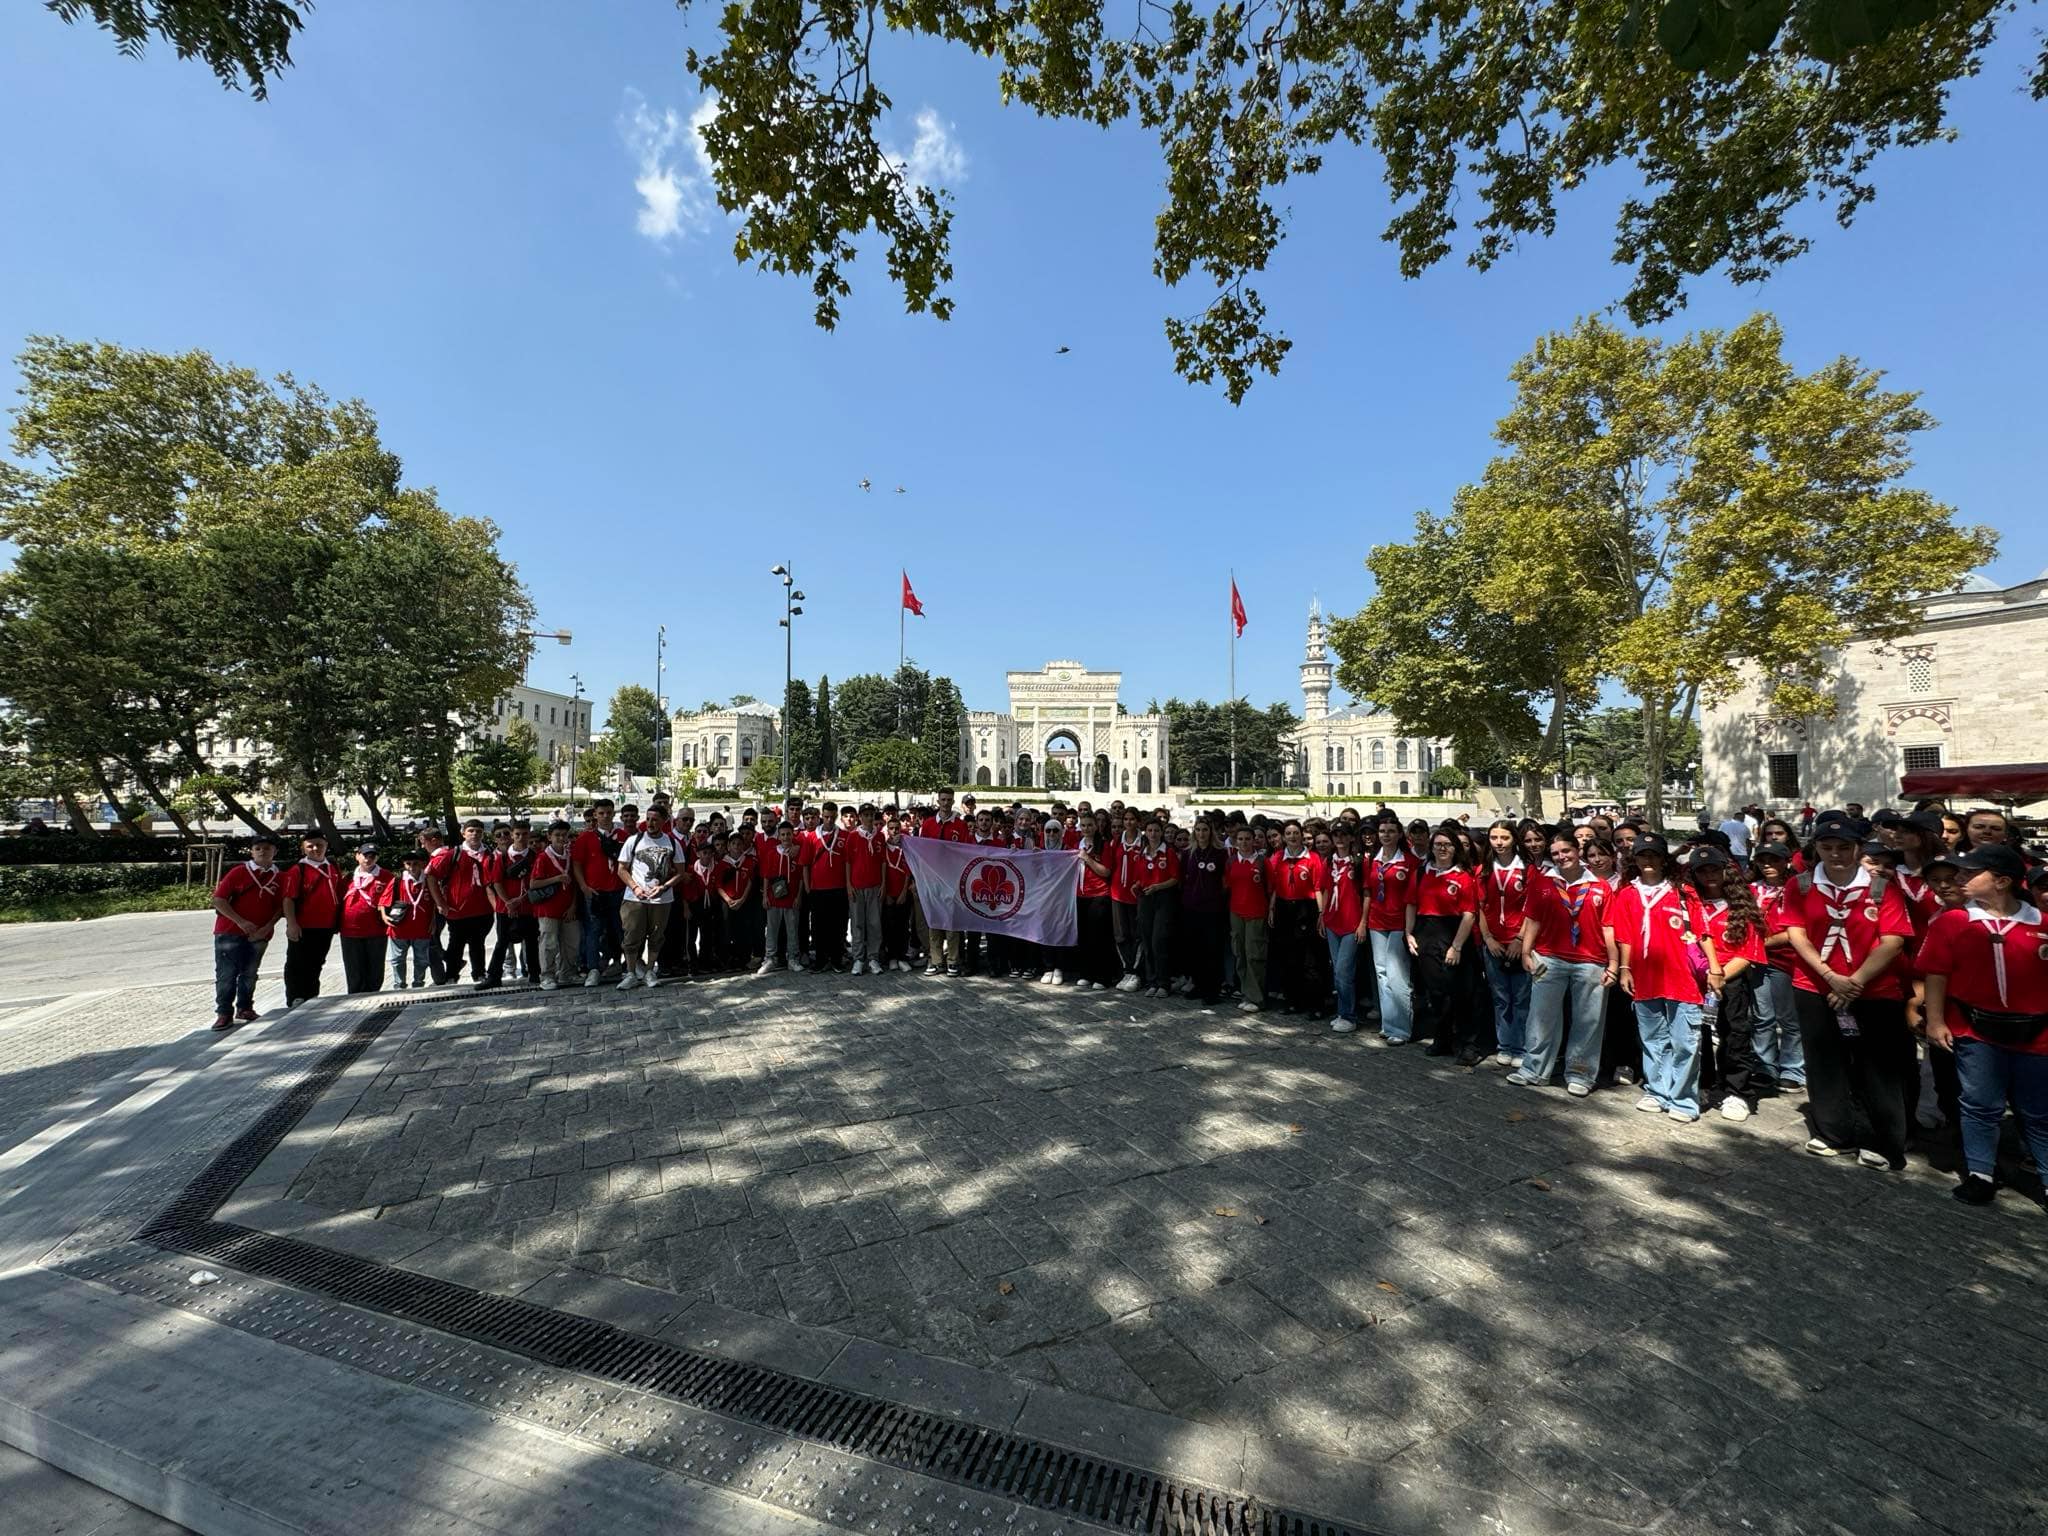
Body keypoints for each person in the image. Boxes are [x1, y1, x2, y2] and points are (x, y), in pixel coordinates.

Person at [1916, 842, 2048, 1208]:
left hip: (2038, 1033)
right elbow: (1937, 973)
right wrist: (1937, 1020)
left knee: (2038, 1109)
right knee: (1979, 1103)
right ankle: (1980, 1172)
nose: (1960, 878)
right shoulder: (1953, 921)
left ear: (2003, 881)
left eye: (1970, 873)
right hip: (1976, 1030)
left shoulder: (2042, 922)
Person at [1782, 811, 1915, 1169]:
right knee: (1825, 1063)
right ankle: (1834, 1133)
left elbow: (1892, 941)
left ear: (1858, 848)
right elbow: (1796, 933)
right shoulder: (1801, 885)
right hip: (1815, 985)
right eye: (1827, 847)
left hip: (1873, 989)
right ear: (1816, 848)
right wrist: (1829, 976)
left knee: (1878, 1068)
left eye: (1844, 847)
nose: (1836, 854)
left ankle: (1885, 1143)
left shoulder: (1881, 888)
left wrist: (1853, 981)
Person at [1607, 834, 1715, 1122]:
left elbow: (1703, 933)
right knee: (1653, 1039)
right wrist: (1625, 969)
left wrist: (1715, 968)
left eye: (1654, 854)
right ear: (1636, 859)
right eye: (1643, 855)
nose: (1649, 861)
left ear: (1663, 858)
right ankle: (1657, 1091)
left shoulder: (1683, 892)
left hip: (1682, 977)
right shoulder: (1628, 894)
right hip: (1645, 976)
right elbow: (1624, 935)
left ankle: (1683, 1100)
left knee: (1685, 1041)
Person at [1514, 830, 1613, 1095]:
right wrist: (1526, 952)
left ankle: (1580, 1074)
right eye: (1556, 853)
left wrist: (1614, 964)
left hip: (1591, 960)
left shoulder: (1600, 886)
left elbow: (1609, 927)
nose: (1561, 857)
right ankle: (1535, 1070)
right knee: (1541, 1017)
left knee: (1588, 1021)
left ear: (1577, 851)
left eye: (1566, 851)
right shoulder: (1543, 883)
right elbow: (1532, 920)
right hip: (1549, 957)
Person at [1689, 847, 1769, 1122]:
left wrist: (1719, 975)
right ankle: (1703, 1083)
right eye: (1702, 871)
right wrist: (1708, 974)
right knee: (1697, 1034)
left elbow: (1749, 952)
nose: (1709, 875)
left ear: (1726, 870)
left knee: (1735, 1033)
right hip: (1695, 978)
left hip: (1731, 979)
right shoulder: (1691, 902)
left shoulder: (1742, 905)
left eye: (1713, 869)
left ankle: (1738, 1091)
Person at [1411, 827, 1479, 1062]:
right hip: (1426, 934)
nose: (1442, 848)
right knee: (1436, 992)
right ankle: (1442, 1039)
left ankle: (1468, 1044)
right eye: (1438, 844)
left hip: (1454, 934)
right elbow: (1411, 904)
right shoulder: (1422, 872)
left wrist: (1456, 946)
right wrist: (1408, 933)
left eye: (1447, 845)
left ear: (1455, 849)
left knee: (1461, 992)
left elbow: (1469, 914)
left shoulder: (1463, 876)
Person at [210, 832, 284, 1030]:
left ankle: (244, 1007)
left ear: (274, 851)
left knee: (250, 973)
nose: (262, 852)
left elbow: (280, 907)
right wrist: (241, 922)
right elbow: (219, 899)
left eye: (267, 848)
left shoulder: (279, 876)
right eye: (257, 848)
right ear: (251, 852)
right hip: (230, 932)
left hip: (260, 934)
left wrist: (268, 926)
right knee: (227, 974)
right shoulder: (238, 872)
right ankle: (223, 1012)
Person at [1749, 843, 1806, 1092]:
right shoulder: (1750, 889)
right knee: (1762, 1016)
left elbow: (1798, 930)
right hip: (1756, 960)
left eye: (1774, 860)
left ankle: (1793, 1068)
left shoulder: (1799, 889)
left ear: (1787, 861)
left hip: (1786, 960)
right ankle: (1765, 1065)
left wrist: (1766, 943)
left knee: (1789, 1018)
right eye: (1762, 860)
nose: (1768, 865)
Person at [1478, 820, 1532, 1068]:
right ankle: (1505, 1044)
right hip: (1493, 943)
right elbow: (1479, 907)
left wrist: (1520, 939)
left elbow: (1531, 909)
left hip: (1519, 942)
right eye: (1494, 837)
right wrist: (1488, 938)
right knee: (1500, 997)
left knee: (1521, 997)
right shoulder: (1483, 870)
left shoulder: (1528, 870)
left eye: (1504, 838)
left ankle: (1520, 1046)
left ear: (1514, 840)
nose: (1499, 843)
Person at [615, 804, 685, 989]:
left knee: (656, 935)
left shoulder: (671, 843)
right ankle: (630, 972)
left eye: (655, 819)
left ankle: (648, 971)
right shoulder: (634, 840)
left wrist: (664, 887)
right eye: (648, 819)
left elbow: (680, 872)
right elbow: (621, 869)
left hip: (661, 899)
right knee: (632, 935)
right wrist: (635, 887)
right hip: (635, 898)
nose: (651, 823)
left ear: (664, 821)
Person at [1366, 815, 1417, 1045]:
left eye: (1390, 831)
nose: (1386, 835)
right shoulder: (1373, 860)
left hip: (1399, 923)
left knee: (1397, 976)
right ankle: (1389, 1023)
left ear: (1399, 835)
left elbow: (1413, 899)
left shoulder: (1409, 861)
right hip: (1377, 922)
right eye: (1382, 831)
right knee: (1381, 973)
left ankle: (1402, 1028)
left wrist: (1409, 929)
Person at [279, 831, 343, 1007]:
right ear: (303, 849)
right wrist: (291, 924)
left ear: (326, 846)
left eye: (320, 845)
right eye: (310, 846)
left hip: (327, 926)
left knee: (317, 963)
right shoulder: (297, 870)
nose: (316, 849)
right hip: (304, 926)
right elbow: (288, 898)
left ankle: (311, 996)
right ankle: (295, 997)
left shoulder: (332, 867)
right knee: (297, 963)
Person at [1267, 820, 1325, 1016]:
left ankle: (1315, 1004)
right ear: (1284, 837)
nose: (1292, 837)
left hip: (1306, 908)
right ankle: (1293, 1001)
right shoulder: (1277, 858)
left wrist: (1320, 914)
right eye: (1288, 833)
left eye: (1295, 833)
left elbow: (1318, 887)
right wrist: (1272, 908)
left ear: (1302, 835)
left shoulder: (1313, 858)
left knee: (1310, 959)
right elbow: (1274, 887)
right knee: (1288, 957)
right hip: (1284, 907)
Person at [1317, 821, 1367, 1032]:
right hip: (1332, 921)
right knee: (1337, 971)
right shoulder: (1329, 861)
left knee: (1344, 971)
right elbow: (1326, 889)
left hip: (1351, 922)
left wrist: (1363, 922)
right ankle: (1342, 1012)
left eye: (1343, 835)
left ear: (1351, 838)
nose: (1339, 839)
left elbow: (1366, 893)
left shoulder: (1358, 862)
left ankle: (1349, 1015)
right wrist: (1322, 915)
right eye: (1336, 835)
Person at [572, 799, 625, 987]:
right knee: (593, 931)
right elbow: (577, 864)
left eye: (608, 813)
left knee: (620, 930)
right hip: (595, 892)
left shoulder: (623, 835)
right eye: (601, 813)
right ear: (595, 814)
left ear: (613, 813)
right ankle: (593, 969)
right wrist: (584, 886)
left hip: (618, 890)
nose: (605, 816)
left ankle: (626, 965)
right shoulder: (585, 838)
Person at [481, 822, 538, 990]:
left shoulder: (535, 856)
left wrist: (520, 900)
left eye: (525, 834)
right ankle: (494, 976)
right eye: (518, 834)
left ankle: (535, 973)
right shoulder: (502, 858)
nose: (521, 838)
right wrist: (509, 903)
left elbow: (536, 883)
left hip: (528, 907)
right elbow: (497, 883)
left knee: (532, 941)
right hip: (505, 908)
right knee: (502, 943)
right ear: (512, 835)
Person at [1180, 817, 1229, 1005]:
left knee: (1212, 949)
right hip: (1192, 906)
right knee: (1195, 948)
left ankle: (1212, 988)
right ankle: (1199, 984)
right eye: (1198, 830)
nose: (1201, 833)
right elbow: (1184, 877)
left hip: (1213, 907)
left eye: (1205, 830)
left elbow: (1225, 880)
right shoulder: (1188, 853)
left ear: (1211, 832)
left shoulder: (1220, 853)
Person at [1130, 817, 1182, 997]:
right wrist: (1136, 885)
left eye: (1156, 830)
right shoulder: (1142, 853)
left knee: (1159, 940)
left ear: (1161, 832)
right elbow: (1139, 875)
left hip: (1163, 898)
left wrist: (1158, 886)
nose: (1153, 834)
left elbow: (1175, 878)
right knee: (1146, 939)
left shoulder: (1168, 852)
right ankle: (1152, 980)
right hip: (1145, 898)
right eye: (1150, 830)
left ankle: (1164, 982)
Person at [1224, 822, 1271, 1013]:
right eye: (1240, 839)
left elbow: (1270, 888)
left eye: (1247, 839)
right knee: (1240, 954)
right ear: (1235, 842)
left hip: (1257, 913)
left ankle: (1257, 997)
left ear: (1254, 841)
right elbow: (1227, 885)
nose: (1244, 843)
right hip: (1236, 912)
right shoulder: (1231, 861)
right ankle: (1246, 992)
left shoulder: (1262, 862)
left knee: (1255, 955)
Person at [527, 821, 580, 990]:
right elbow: (533, 884)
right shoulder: (543, 857)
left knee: (571, 942)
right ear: (549, 837)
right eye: (557, 835)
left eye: (564, 835)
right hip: (548, 908)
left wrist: (573, 906)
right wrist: (556, 879)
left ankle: (567, 972)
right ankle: (547, 975)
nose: (561, 838)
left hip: (568, 907)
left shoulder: (570, 856)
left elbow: (575, 885)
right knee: (548, 943)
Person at [337, 843, 391, 993]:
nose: (368, 859)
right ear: (357, 856)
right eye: (365, 855)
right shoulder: (348, 878)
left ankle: (373, 996)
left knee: (375, 969)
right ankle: (354, 998)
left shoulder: (386, 876)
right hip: (349, 931)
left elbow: (393, 901)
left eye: (372, 856)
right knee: (353, 970)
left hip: (376, 931)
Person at [756, 820, 805, 974]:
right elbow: (766, 876)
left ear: (793, 835)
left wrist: (799, 896)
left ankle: (793, 958)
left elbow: (801, 877)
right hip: (774, 897)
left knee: (792, 930)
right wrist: (765, 895)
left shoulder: (797, 853)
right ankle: (770, 958)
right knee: (772, 930)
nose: (785, 837)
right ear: (778, 836)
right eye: (783, 834)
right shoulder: (772, 853)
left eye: (788, 834)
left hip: (791, 898)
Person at [381, 848, 434, 988]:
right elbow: (383, 902)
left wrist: (434, 921)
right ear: (404, 865)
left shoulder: (429, 881)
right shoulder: (398, 881)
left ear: (422, 864)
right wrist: (384, 916)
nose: (412, 867)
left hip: (422, 927)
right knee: (397, 959)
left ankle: (418, 982)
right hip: (400, 928)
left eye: (415, 863)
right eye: (408, 863)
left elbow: (436, 902)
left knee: (422, 959)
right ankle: (399, 984)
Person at [845, 803, 887, 976]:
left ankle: (873, 958)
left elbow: (883, 861)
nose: (869, 818)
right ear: (860, 817)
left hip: (875, 885)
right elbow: (848, 861)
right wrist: (848, 884)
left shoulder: (879, 837)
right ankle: (858, 958)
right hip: (857, 886)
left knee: (874, 923)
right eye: (866, 815)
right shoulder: (853, 836)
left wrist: (884, 883)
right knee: (858, 923)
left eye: (871, 815)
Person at [881, 818, 916, 973]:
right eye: (891, 828)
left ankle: (902, 956)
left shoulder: (906, 849)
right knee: (889, 926)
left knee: (903, 926)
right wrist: (887, 893)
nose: (894, 831)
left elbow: (908, 872)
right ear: (887, 830)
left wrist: (903, 892)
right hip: (888, 893)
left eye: (897, 828)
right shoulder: (883, 848)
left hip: (903, 893)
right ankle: (892, 957)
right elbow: (882, 872)